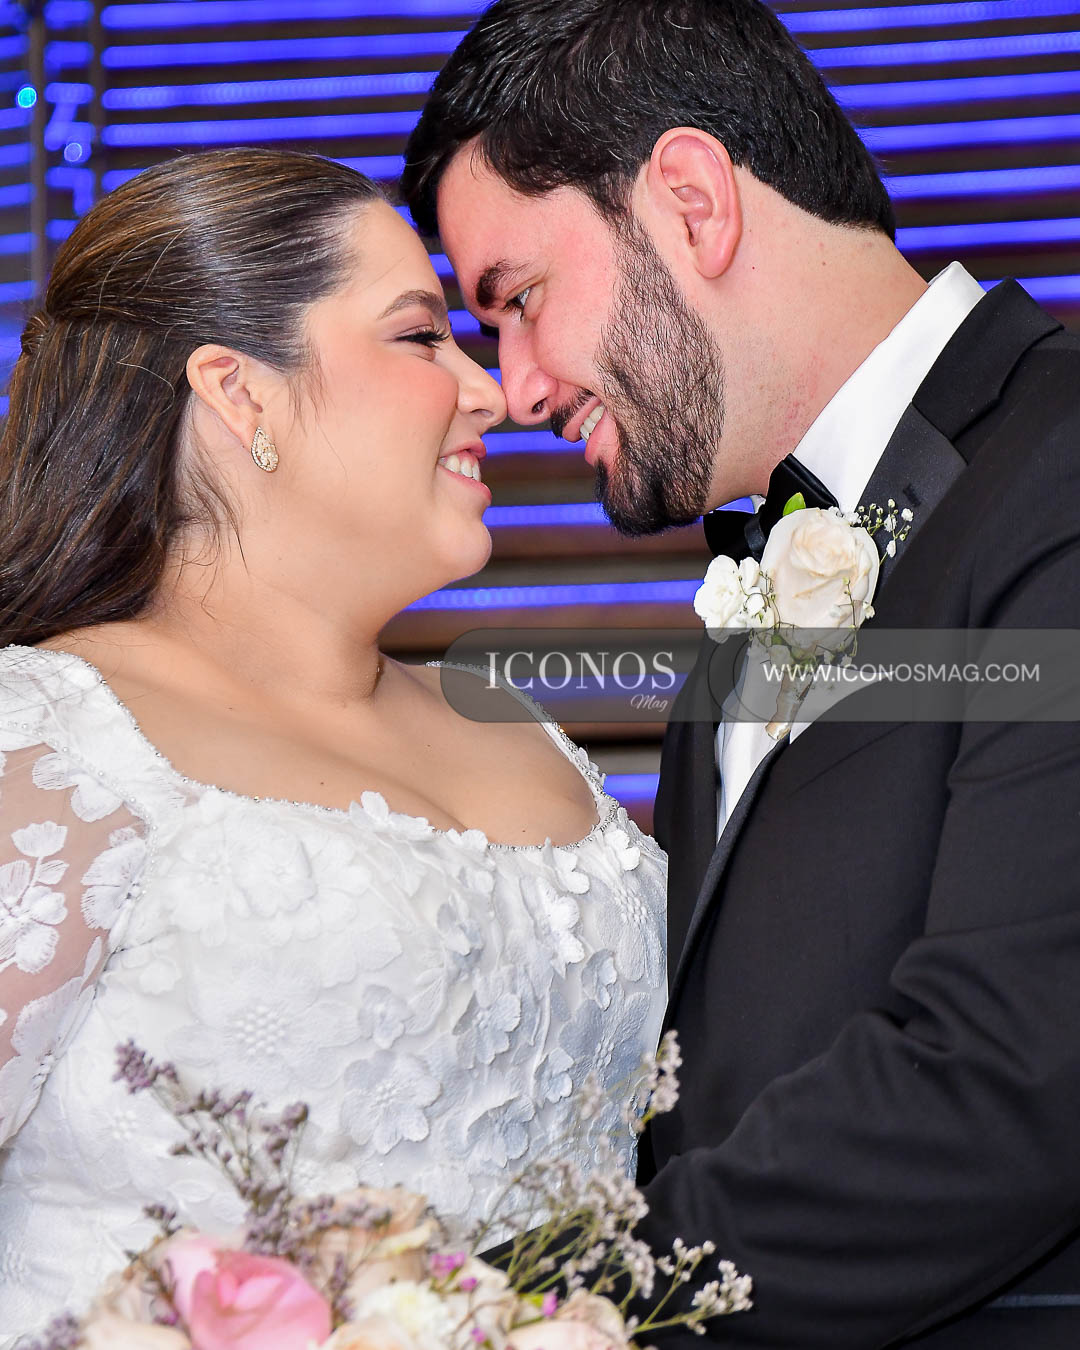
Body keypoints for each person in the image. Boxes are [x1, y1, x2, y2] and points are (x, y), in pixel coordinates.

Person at [401, 1, 1080, 1346]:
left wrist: (491, 1316)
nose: (516, 389)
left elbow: (1016, 1069)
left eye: (519, 301)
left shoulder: (1059, 471)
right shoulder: (746, 594)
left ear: (693, 202)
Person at [0, 147, 668, 1342]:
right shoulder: (46, 741)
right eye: (419, 337)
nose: (489, 392)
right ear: (238, 391)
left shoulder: (515, 726)